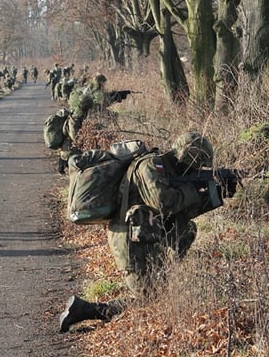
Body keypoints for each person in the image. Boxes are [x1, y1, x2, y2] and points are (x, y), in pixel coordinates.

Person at [59, 132, 224, 332]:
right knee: (147, 298)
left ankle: (85, 309)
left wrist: (214, 196)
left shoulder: (168, 170)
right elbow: (163, 202)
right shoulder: (151, 165)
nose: (197, 169)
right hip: (130, 239)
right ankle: (82, 310)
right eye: (196, 164)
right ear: (187, 157)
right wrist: (192, 191)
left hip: (145, 237)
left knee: (185, 234)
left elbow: (180, 212)